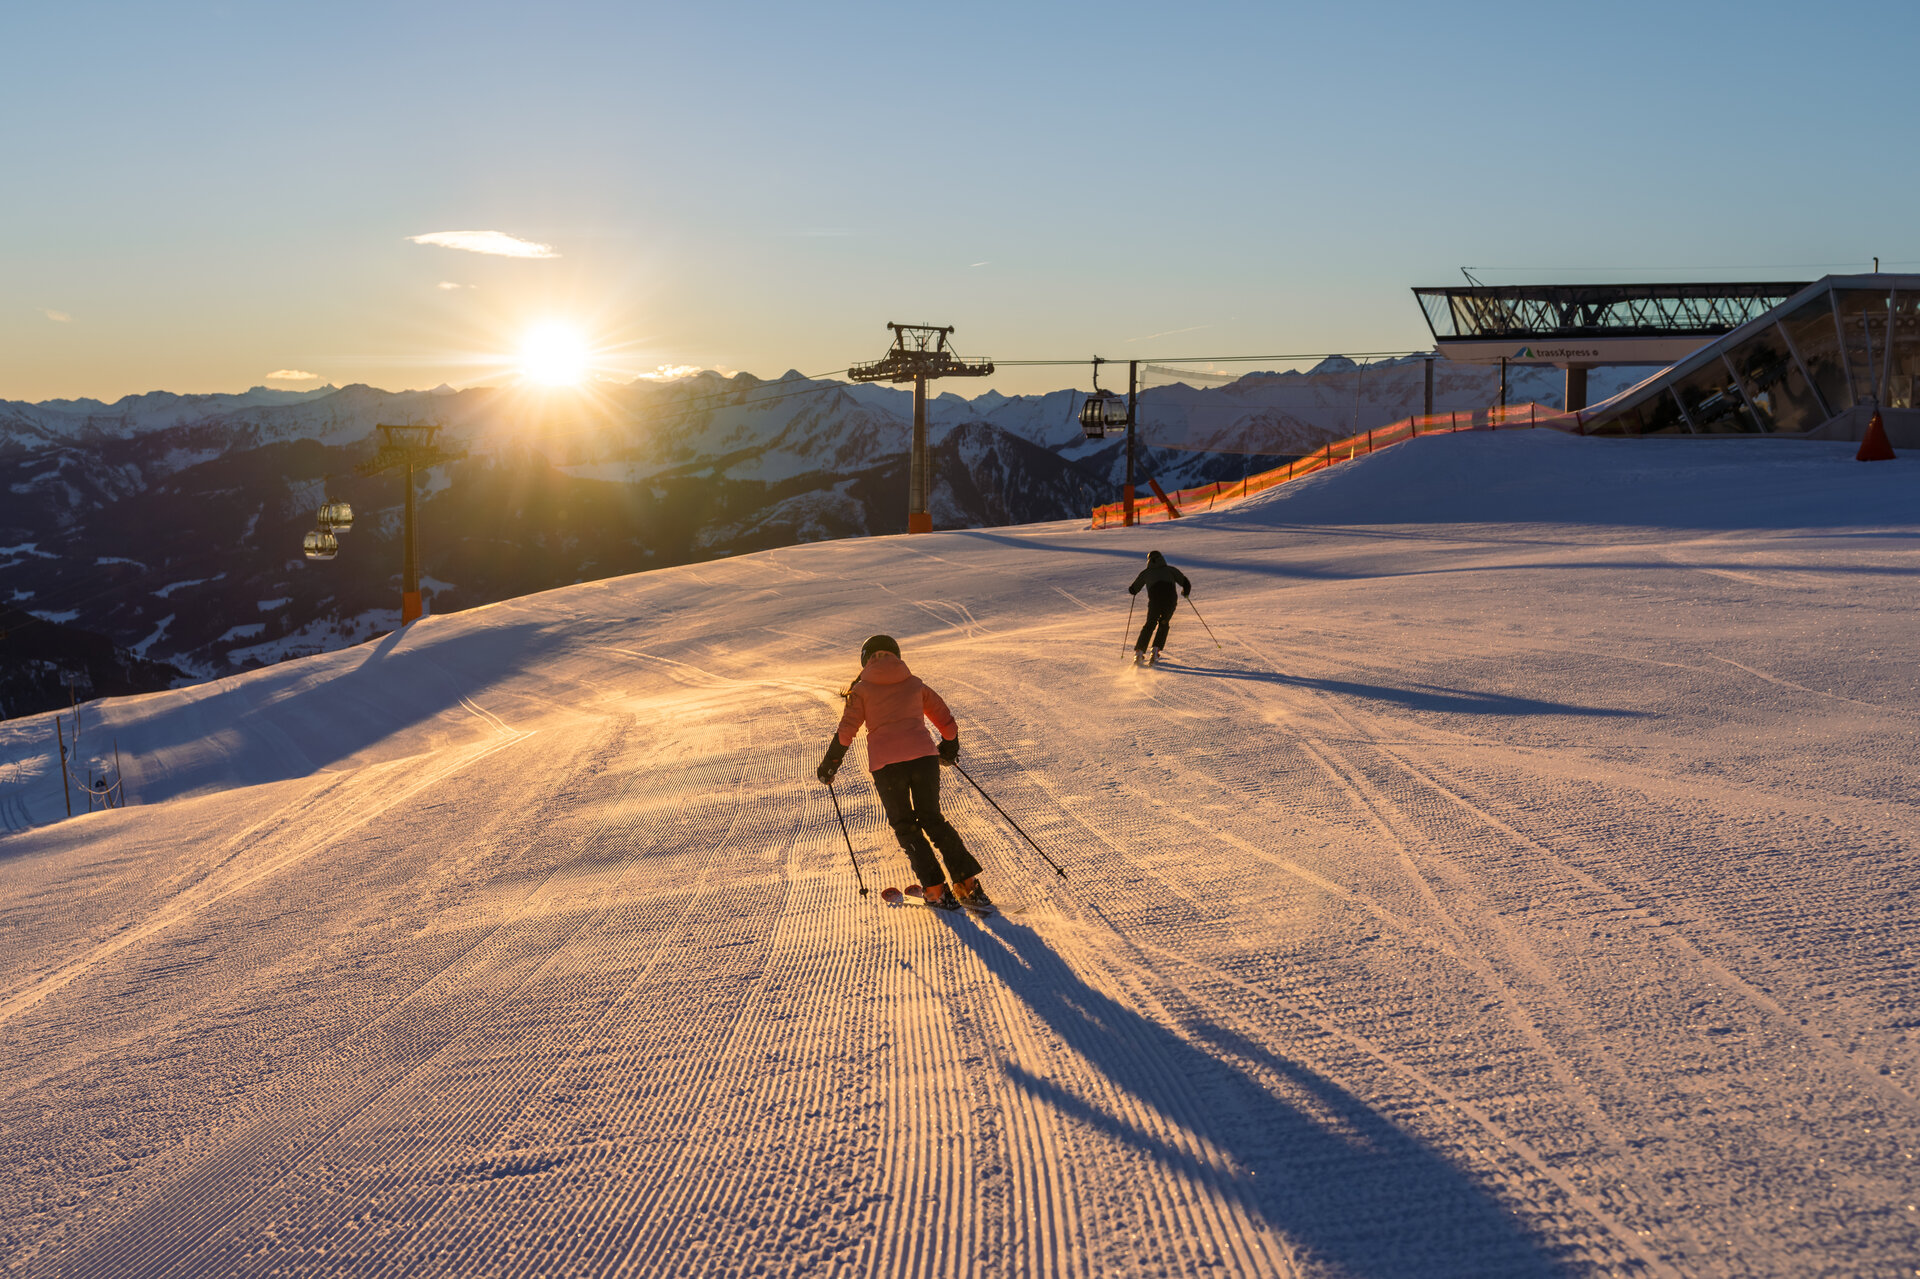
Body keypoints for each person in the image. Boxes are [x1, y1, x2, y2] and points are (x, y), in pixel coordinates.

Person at [816, 635, 988, 910]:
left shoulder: (861, 690)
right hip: (923, 760)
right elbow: (946, 720)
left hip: (888, 767)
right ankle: (968, 885)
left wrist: (829, 765)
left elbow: (846, 732)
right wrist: (949, 747)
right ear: (896, 655)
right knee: (933, 819)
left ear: (865, 659)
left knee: (905, 825)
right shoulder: (914, 683)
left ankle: (935, 890)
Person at [1128, 549, 1191, 664]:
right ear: (1162, 559)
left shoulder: (1146, 573)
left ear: (1149, 561)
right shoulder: (1170, 570)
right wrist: (1185, 592)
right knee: (1164, 623)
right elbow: (1185, 582)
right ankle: (1155, 651)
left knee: (1150, 624)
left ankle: (1139, 653)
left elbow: (1133, 589)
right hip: (1170, 600)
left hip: (1155, 601)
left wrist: (1134, 590)